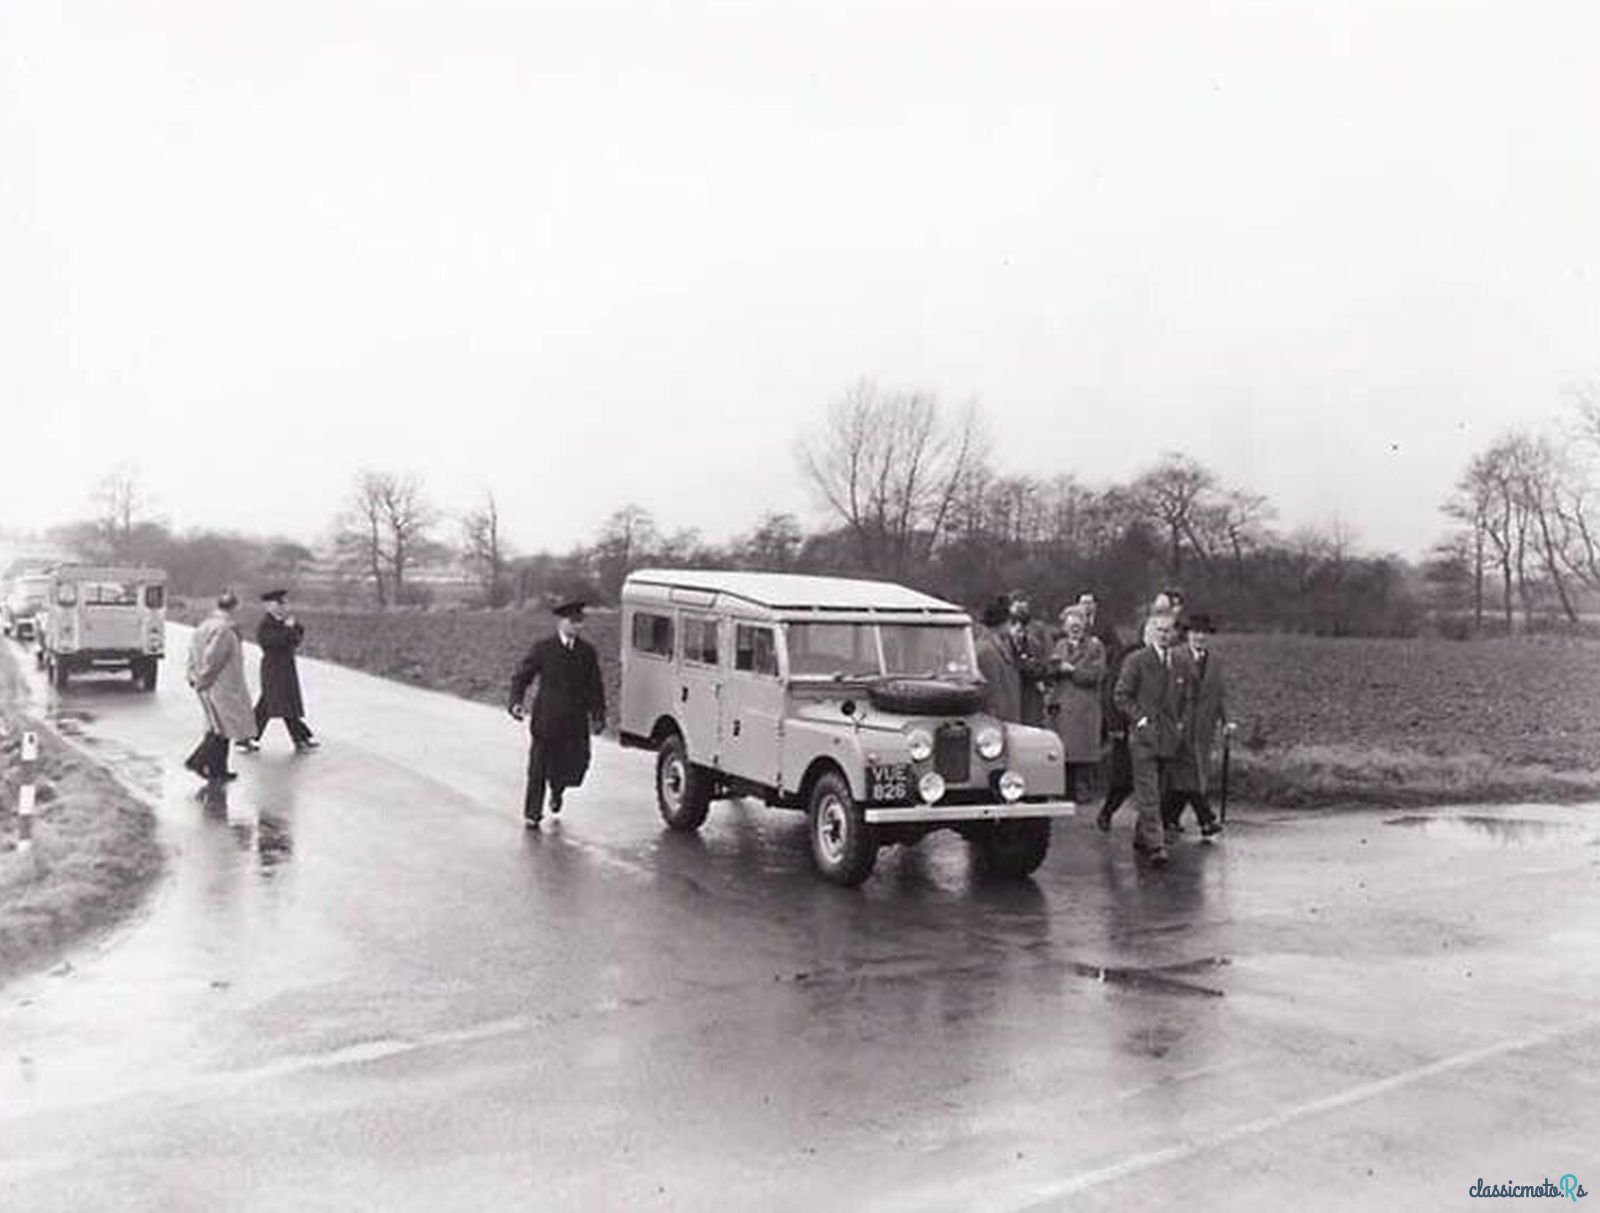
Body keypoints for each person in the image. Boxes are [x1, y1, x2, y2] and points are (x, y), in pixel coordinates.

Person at [508, 600, 607, 828]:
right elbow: (522, 677)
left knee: (572, 766)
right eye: (574, 622)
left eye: (580, 622)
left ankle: (557, 789)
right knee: (538, 768)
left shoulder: (587, 652)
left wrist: (598, 715)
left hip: (574, 723)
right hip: (547, 720)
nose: (578, 627)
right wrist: (516, 702)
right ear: (561, 622)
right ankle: (532, 814)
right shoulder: (544, 648)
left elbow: (595, 686)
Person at [1112, 612, 1193, 866]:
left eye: (1168, 630)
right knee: (1148, 791)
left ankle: (1142, 835)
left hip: (1169, 737)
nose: (1164, 635)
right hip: (1144, 737)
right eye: (1159, 630)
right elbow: (1121, 695)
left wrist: (1180, 724)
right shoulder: (1137, 660)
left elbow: (1186, 697)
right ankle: (1156, 845)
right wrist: (1140, 720)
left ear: (1175, 633)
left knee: (1159, 790)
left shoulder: (1180, 662)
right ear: (1150, 632)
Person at [1163, 614, 1227, 840]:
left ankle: (1167, 818)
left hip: (1204, 727)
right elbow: (1168, 692)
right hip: (1180, 725)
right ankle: (1206, 819)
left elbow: (1219, 694)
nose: (1199, 637)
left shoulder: (1215, 661)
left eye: (1203, 633)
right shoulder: (1176, 656)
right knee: (1188, 773)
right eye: (1195, 632)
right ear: (1188, 634)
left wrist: (1226, 721)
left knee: (1188, 775)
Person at [184, 591, 256, 783]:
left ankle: (218, 769)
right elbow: (213, 658)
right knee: (223, 728)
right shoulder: (225, 629)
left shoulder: (205, 625)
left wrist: (192, 675)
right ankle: (198, 761)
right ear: (235, 607)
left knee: (219, 727)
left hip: (208, 683)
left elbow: (192, 653)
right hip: (221, 684)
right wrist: (204, 679)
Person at [241, 589, 318, 753]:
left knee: (284, 702)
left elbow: (297, 638)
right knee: (271, 702)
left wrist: (292, 630)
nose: (283, 606)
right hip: (273, 668)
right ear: (268, 606)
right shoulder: (266, 624)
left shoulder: (285, 621)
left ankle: (300, 738)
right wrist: (289, 630)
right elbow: (273, 643)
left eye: (283, 603)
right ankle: (247, 738)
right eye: (278, 603)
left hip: (286, 667)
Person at [1044, 604, 1106, 801]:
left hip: (1084, 706)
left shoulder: (1095, 646)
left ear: (1085, 626)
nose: (1075, 630)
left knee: (1083, 753)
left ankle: (1083, 791)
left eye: (1078, 626)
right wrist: (1054, 669)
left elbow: (1096, 675)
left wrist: (1072, 670)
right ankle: (1063, 791)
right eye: (1071, 626)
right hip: (1062, 705)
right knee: (1064, 751)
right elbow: (1049, 671)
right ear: (1064, 627)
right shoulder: (1059, 646)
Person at [1006, 592, 1053, 727]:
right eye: (1017, 602)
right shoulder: (1002, 640)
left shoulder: (1037, 633)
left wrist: (1040, 675)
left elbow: (1045, 659)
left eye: (1023, 602)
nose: (1019, 633)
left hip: (1031, 692)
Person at [974, 597, 1023, 724]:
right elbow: (991, 693)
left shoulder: (1000, 646)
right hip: (998, 721)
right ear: (1002, 623)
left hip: (1007, 716)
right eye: (1009, 622)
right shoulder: (986, 651)